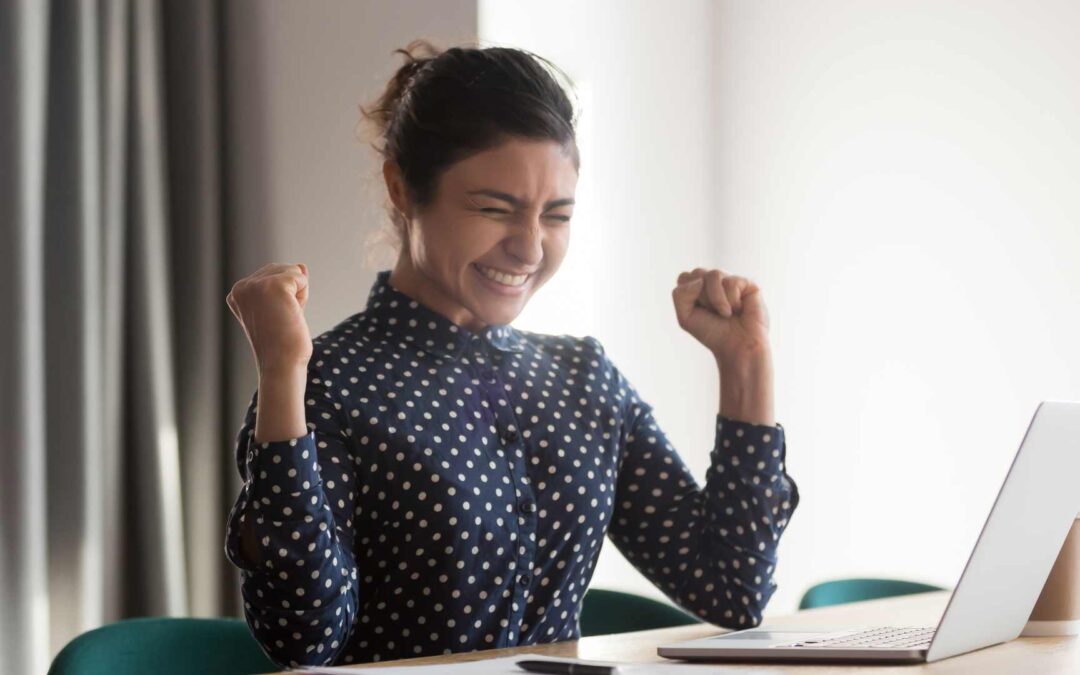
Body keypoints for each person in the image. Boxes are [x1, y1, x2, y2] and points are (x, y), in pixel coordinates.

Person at [223, 39, 799, 669]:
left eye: (556, 216)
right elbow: (303, 638)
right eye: (495, 209)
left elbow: (731, 588)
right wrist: (282, 370)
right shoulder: (325, 383)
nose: (529, 249)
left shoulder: (584, 379)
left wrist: (746, 366)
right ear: (402, 189)